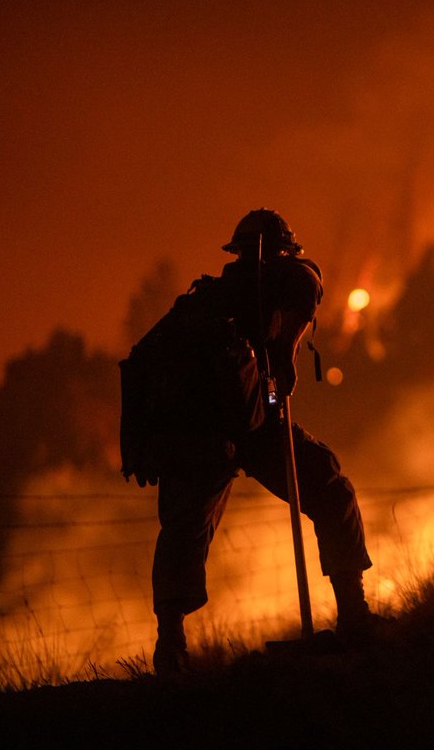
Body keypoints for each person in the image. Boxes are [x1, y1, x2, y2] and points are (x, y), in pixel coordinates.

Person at [120, 209, 376, 675]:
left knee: (184, 530)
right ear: (285, 249)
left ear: (235, 252)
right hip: (251, 424)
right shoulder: (293, 282)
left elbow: (139, 361)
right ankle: (355, 616)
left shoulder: (199, 302)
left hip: (193, 433)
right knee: (327, 483)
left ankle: (170, 649)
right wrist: (278, 386)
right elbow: (283, 363)